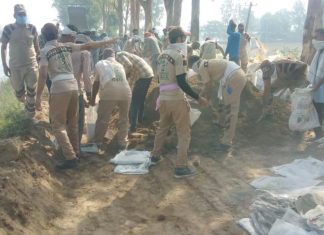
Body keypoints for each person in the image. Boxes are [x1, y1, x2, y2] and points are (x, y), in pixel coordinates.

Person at [35, 23, 116, 170]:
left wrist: (38, 97)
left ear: (43, 36)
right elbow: (88, 45)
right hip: (73, 86)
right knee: (72, 124)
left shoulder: (45, 50)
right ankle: (76, 153)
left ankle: (70, 157)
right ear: (57, 34)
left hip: (59, 87)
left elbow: (42, 75)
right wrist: (107, 42)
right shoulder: (67, 46)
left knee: (58, 125)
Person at [150, 27, 208, 179]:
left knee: (162, 128)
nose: (185, 41)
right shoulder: (179, 56)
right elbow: (182, 82)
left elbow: (159, 80)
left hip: (163, 98)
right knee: (184, 133)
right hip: (176, 99)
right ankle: (180, 167)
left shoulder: (161, 55)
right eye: (184, 38)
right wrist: (198, 97)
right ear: (178, 39)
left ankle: (155, 156)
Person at [188, 55, 247, 151]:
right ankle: (221, 122)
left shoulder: (202, 67)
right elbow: (205, 86)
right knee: (223, 99)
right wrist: (199, 97)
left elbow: (209, 85)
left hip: (234, 78)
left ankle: (226, 142)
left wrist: (206, 99)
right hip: (235, 75)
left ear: (193, 65)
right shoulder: (206, 63)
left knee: (231, 109)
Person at [1, 4, 40, 118]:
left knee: (32, 90)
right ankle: (27, 104)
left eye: (24, 14)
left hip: (31, 65)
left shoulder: (32, 28)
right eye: (20, 14)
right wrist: (4, 64)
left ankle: (30, 116)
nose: (22, 16)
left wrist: (39, 60)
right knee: (19, 93)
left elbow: (37, 46)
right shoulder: (8, 29)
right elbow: (3, 47)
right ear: (14, 15)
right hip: (15, 67)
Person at [90, 49, 132, 150]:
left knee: (103, 118)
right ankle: (122, 143)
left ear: (103, 56)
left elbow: (96, 83)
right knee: (124, 118)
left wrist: (92, 99)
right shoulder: (120, 65)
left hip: (110, 92)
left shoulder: (101, 63)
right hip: (126, 92)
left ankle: (98, 142)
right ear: (114, 56)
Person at [60, 26, 92, 142]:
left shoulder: (61, 50)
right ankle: (76, 146)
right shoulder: (84, 53)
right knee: (77, 120)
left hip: (60, 90)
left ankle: (63, 145)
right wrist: (89, 93)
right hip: (75, 90)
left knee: (63, 120)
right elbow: (86, 76)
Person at [116, 51, 154, 132]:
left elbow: (129, 66)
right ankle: (140, 120)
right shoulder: (127, 55)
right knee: (141, 100)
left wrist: (125, 76)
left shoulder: (118, 56)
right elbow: (132, 75)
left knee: (134, 102)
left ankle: (133, 126)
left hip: (143, 76)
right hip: (148, 74)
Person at [308, 28, 324, 139]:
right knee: (315, 110)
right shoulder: (320, 50)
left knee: (319, 111)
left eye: (317, 36)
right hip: (316, 86)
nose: (314, 39)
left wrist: (317, 85)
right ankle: (317, 134)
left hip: (321, 87)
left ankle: (319, 136)